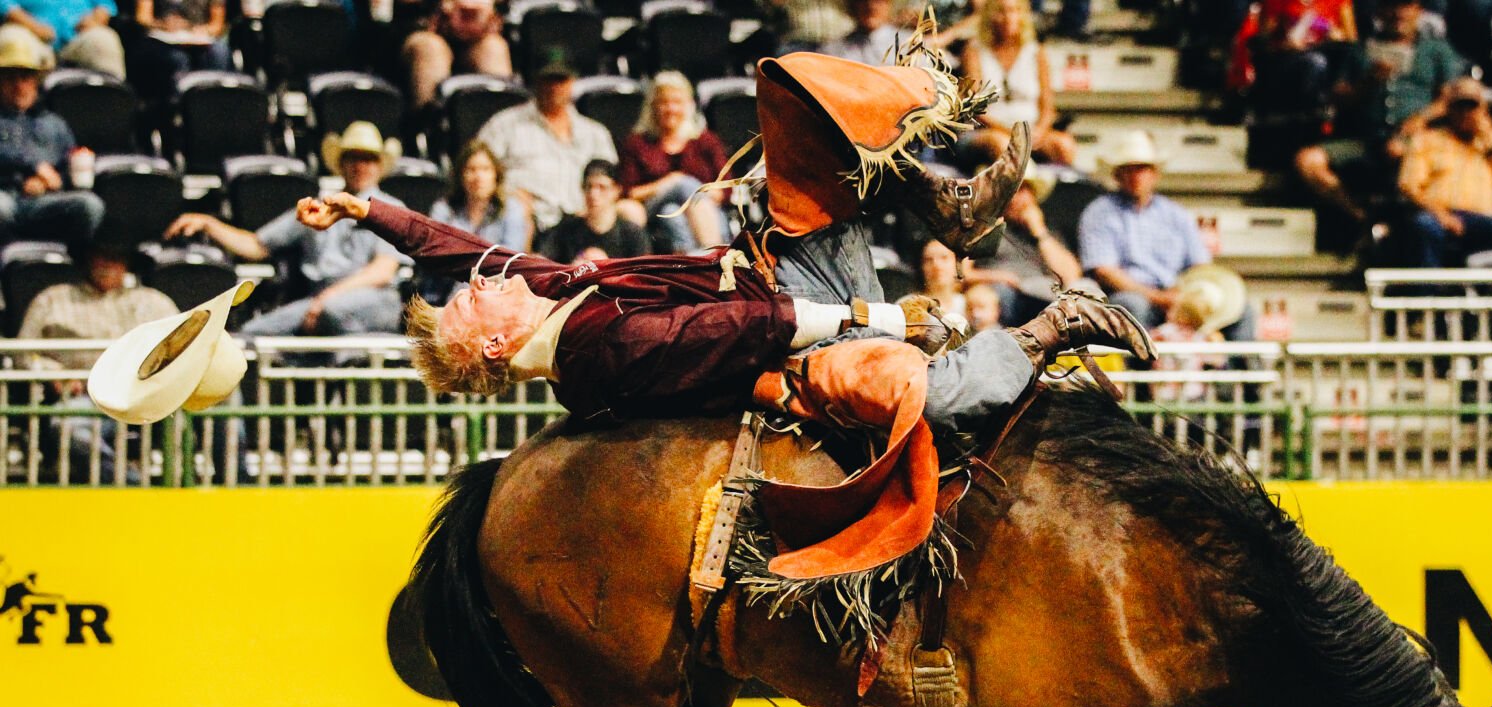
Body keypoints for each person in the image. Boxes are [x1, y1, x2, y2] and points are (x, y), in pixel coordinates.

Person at [293, 51, 1150, 436]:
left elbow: (449, 248)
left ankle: (943, 198)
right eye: (474, 299)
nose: (481, 279)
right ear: (491, 339)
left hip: (783, 278)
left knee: (787, 87)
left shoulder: (551, 301)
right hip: (802, 321)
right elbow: (732, 332)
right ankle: (1044, 330)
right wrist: (870, 310)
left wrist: (363, 207)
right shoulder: (594, 348)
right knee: (910, 389)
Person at [163, 120, 407, 335]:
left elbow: (382, 271)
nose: (360, 166)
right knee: (250, 336)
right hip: (318, 302)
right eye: (353, 157)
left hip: (371, 299)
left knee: (333, 313)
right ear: (341, 163)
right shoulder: (319, 207)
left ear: (379, 165)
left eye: (368, 158)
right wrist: (209, 224)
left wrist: (327, 299)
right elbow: (257, 246)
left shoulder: (390, 209)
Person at [1294, 0, 1464, 231]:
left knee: (1400, 151)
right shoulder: (1361, 50)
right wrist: (1368, 82)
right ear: (1380, 12)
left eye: (1405, 6)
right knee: (1308, 161)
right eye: (1391, 6)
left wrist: (1419, 121)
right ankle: (1360, 216)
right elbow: (1338, 99)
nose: (1397, 13)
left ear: (1417, 11)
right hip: (1367, 139)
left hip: (1417, 140)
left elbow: (1449, 98)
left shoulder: (1435, 50)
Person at [17, 237, 177, 483]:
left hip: (141, 395)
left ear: (127, 264)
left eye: (115, 258)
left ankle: (196, 483)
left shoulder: (153, 302)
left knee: (186, 415)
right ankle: (134, 486)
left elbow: (179, 348)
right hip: (82, 396)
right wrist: (56, 372)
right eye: (101, 256)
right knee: (67, 427)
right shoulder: (53, 299)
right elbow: (22, 353)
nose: (107, 265)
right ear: (87, 260)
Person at [1076, 131, 1213, 327]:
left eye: (1142, 168)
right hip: (1125, 294)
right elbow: (1105, 272)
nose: (1136, 176)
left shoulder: (1176, 214)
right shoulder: (1100, 212)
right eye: (1129, 169)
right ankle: (1141, 358)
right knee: (1132, 306)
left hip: (1175, 294)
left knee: (1238, 310)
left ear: (1154, 173)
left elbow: (1200, 266)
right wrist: (1158, 297)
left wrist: (1186, 295)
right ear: (1117, 175)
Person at [476, 48, 616, 236]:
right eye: (548, 79)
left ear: (572, 81)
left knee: (629, 212)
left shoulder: (595, 133)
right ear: (536, 81)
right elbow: (477, 166)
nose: (554, 87)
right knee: (515, 211)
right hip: (532, 218)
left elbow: (612, 181)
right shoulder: (505, 124)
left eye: (561, 80)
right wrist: (508, 194)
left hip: (583, 220)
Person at [1396, 77, 1492, 267]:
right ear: (1449, 109)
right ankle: (1427, 293)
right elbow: (1409, 186)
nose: (1465, 113)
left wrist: (1490, 147)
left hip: (1483, 218)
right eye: (1459, 106)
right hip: (1437, 213)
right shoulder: (1427, 140)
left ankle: (1486, 292)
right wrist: (1441, 215)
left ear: (1483, 109)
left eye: (1471, 106)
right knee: (1425, 226)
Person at [0, 27, 103, 249]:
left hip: (45, 201)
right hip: (5, 193)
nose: (19, 85)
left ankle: (68, 272)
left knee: (89, 205)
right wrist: (34, 166)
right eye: (10, 77)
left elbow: (68, 168)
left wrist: (52, 182)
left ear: (36, 81)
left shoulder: (55, 124)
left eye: (25, 77)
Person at [617, 72, 729, 254]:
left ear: (689, 105)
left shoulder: (706, 141)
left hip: (699, 210)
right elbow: (629, 192)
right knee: (683, 186)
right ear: (652, 107)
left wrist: (692, 194)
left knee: (673, 214)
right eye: (664, 102)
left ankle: (690, 259)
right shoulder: (637, 143)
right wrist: (670, 183)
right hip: (651, 209)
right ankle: (713, 254)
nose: (671, 108)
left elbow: (724, 189)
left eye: (677, 102)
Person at [959, 0, 1075, 166]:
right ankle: (1012, 191)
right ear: (989, 15)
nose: (1008, 18)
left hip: (1031, 130)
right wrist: (1012, 134)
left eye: (1014, 11)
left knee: (1064, 145)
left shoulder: (1036, 52)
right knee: (1003, 145)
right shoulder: (974, 51)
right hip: (989, 130)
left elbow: (1047, 107)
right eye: (1001, 11)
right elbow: (975, 108)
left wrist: (1039, 132)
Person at [422, 139, 529, 301]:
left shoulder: (511, 209)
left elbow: (511, 259)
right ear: (461, 176)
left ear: (496, 175)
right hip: (446, 288)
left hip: (495, 290)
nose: (478, 177)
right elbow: (437, 255)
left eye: (485, 169)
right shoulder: (444, 209)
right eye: (471, 170)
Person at [963, 184, 1086, 325]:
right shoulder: (985, 229)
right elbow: (960, 275)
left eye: (1023, 191)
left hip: (1042, 294)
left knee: (1084, 291)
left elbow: (1071, 276)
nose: (1017, 199)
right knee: (1004, 293)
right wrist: (998, 276)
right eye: (1011, 192)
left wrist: (1039, 231)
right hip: (1004, 293)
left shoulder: (1047, 231)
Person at [401, 0, 511, 109]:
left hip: (477, 36)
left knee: (493, 48)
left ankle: (502, 118)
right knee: (431, 49)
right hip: (420, 29)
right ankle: (430, 119)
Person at [537, 159, 650, 264]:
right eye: (588, 187)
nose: (593, 194)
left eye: (602, 187)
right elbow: (541, 264)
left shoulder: (633, 236)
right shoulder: (566, 230)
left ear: (616, 191)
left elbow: (642, 278)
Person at [129, 0, 228, 109]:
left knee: (219, 52)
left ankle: (214, 106)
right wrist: (162, 25)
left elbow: (217, 24)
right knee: (177, 59)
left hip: (198, 38)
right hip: (162, 38)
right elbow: (142, 17)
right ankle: (179, 110)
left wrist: (202, 30)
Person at [1, 0, 123, 77]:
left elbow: (105, 5)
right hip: (31, 33)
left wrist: (95, 19)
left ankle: (110, 107)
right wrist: (34, 27)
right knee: (12, 39)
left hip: (78, 37)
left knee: (104, 39)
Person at [816, 0, 898, 65]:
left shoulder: (906, 45)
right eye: (863, 1)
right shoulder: (832, 51)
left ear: (889, 5)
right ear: (853, 5)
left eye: (879, 1)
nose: (871, 6)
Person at [917, 237, 966, 321]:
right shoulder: (910, 305)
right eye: (929, 260)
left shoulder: (967, 305)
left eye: (944, 258)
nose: (936, 265)